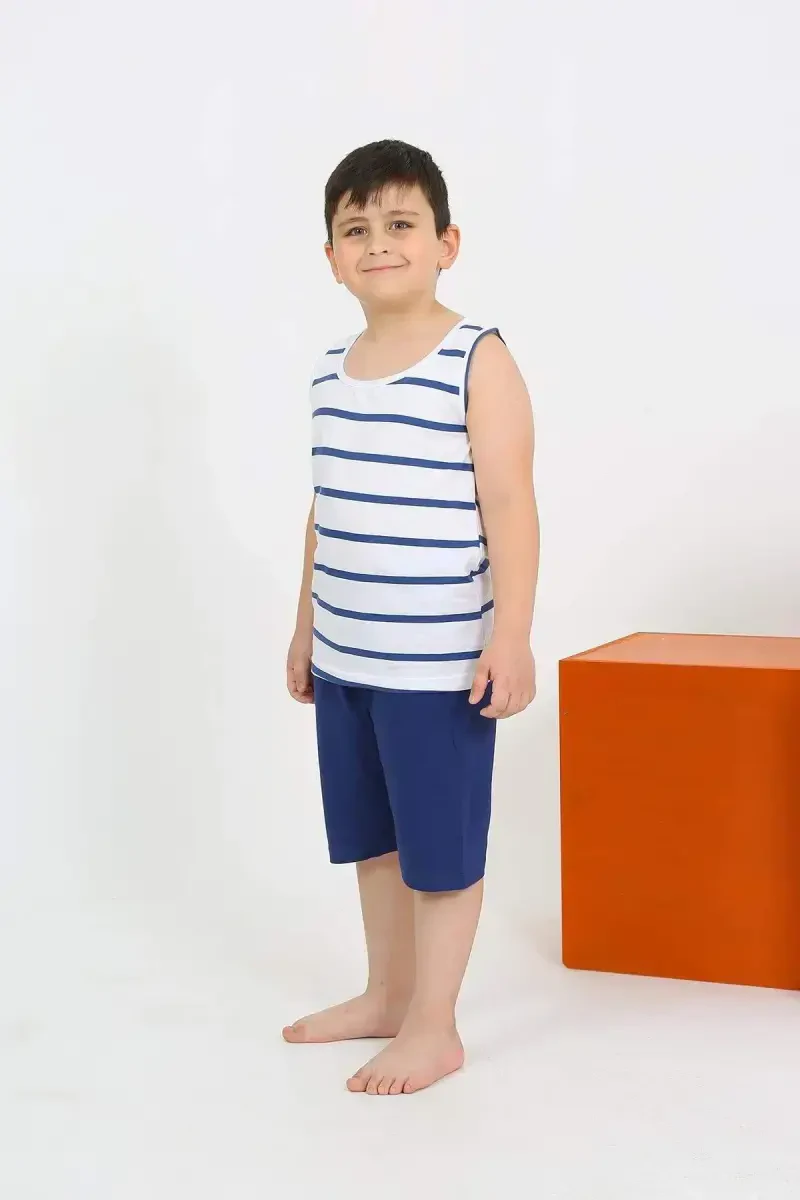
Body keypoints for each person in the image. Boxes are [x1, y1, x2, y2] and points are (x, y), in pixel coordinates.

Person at [283, 139, 539, 1095]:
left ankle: (435, 1025)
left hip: (436, 664)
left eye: (400, 224)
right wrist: (305, 628)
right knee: (375, 841)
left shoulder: (476, 358)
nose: (378, 244)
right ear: (332, 257)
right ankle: (388, 995)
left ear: (446, 243)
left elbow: (510, 505)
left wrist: (510, 634)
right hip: (348, 654)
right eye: (356, 230)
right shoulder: (330, 371)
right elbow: (326, 509)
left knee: (439, 851)